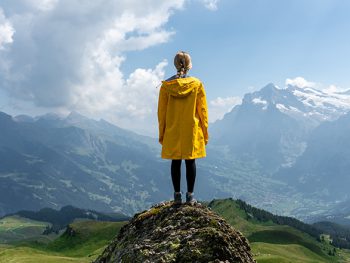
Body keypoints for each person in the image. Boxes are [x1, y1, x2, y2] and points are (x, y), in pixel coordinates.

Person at [157, 51, 209, 205]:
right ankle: (190, 196)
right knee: (190, 161)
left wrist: (162, 133)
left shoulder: (166, 87)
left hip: (172, 129)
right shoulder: (197, 84)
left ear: (175, 65)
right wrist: (205, 133)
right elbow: (203, 112)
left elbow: (161, 113)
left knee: (175, 161)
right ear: (189, 66)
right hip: (191, 130)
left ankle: (177, 196)